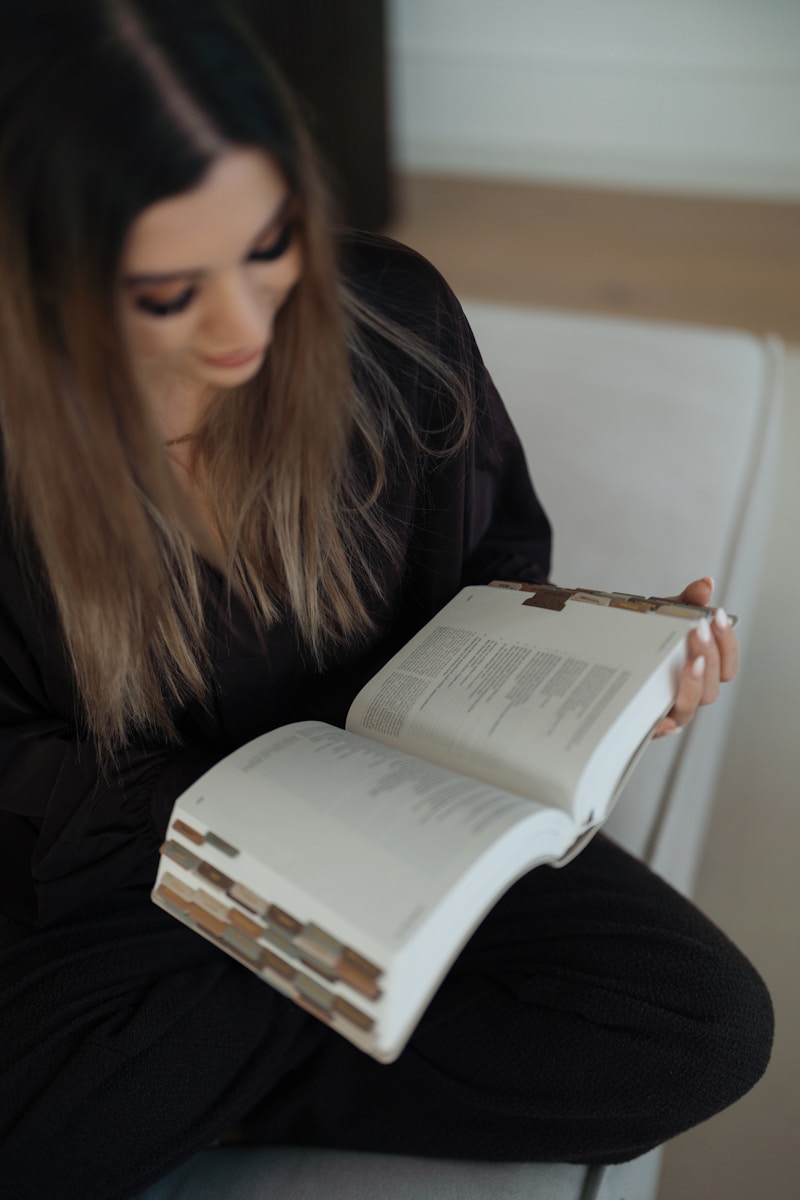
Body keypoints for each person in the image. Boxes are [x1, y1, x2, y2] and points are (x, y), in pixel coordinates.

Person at [0, 2, 773, 1197]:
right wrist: (239, 845)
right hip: (135, 872)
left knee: (699, 1027)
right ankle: (337, 1014)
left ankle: (217, 1073)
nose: (248, 324)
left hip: (400, 826)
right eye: (167, 293)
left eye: (270, 244)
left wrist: (605, 681)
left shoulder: (390, 323)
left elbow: (490, 564)